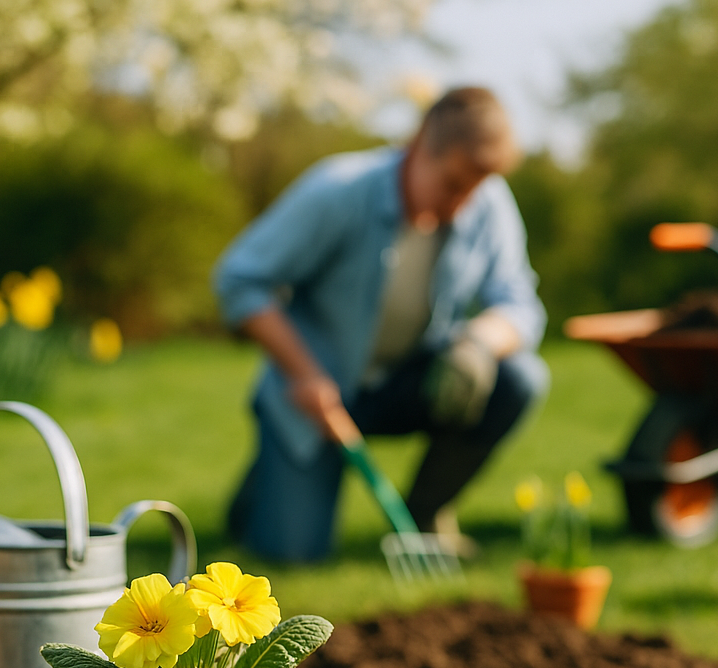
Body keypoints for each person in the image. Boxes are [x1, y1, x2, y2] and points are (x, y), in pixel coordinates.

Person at [214, 86, 547, 561]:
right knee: (293, 554)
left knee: (520, 377)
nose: (464, 204)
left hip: (411, 384)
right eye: (453, 185)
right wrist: (304, 374)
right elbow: (239, 280)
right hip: (317, 392)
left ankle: (426, 512)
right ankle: (264, 489)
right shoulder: (337, 190)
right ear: (417, 147)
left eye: (476, 187)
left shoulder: (486, 199)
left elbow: (521, 305)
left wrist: (478, 341)